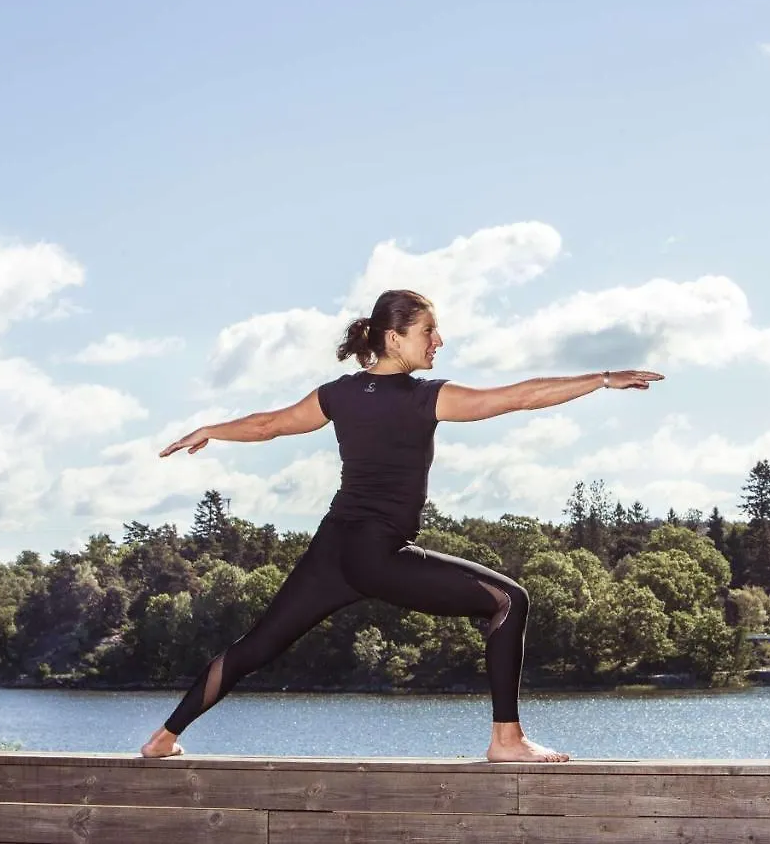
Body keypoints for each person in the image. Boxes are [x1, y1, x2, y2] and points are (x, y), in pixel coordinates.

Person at [139, 288, 664, 763]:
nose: (439, 341)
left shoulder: (337, 394)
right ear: (394, 338)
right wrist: (601, 379)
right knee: (509, 601)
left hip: (333, 549)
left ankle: (164, 737)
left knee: (254, 647)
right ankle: (507, 740)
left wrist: (210, 429)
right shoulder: (423, 397)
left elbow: (268, 426)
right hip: (377, 553)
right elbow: (517, 397)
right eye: (428, 331)